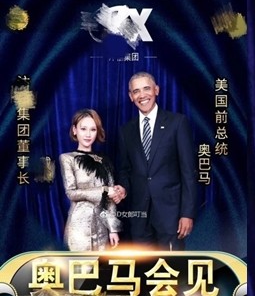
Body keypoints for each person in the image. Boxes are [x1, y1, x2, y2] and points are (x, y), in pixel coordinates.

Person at [111, 72, 197, 250]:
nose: (142, 95)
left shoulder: (177, 123)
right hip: (139, 218)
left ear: (156, 90)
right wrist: (123, 189)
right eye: (136, 91)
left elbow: (188, 172)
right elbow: (125, 171)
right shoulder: (126, 131)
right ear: (130, 96)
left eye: (146, 89)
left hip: (171, 216)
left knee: (171, 265)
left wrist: (187, 213)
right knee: (144, 265)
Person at [59, 108, 121, 251]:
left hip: (102, 229)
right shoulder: (67, 158)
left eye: (93, 129)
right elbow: (71, 193)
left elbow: (110, 199)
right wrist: (104, 190)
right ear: (74, 130)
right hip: (78, 228)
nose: (88, 134)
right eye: (83, 129)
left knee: (101, 265)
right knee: (78, 265)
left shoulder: (104, 160)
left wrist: (113, 229)